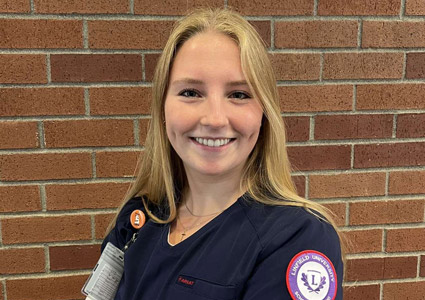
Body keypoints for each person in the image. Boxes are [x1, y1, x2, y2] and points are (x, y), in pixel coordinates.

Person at [102, 8, 344, 300]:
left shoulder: (298, 240)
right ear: (163, 107)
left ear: (264, 113)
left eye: (239, 95)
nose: (214, 119)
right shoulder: (140, 215)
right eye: (191, 92)